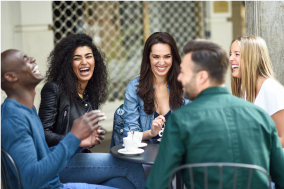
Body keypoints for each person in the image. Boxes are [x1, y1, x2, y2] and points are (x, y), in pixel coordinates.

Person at [146, 40, 284, 189]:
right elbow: (281, 176)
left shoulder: (181, 120)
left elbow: (156, 184)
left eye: (183, 73)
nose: (179, 78)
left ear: (202, 77)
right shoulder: (260, 116)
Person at [38, 34, 146, 189]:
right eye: (77, 58)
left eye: (88, 56)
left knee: (123, 184)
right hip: (57, 162)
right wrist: (76, 140)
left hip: (79, 159)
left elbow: (85, 140)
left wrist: (91, 138)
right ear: (68, 64)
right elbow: (43, 134)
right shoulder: (54, 90)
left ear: (95, 61)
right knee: (130, 165)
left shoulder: (90, 95)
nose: (84, 62)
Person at [0, 49, 116, 189]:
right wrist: (73, 136)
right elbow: (30, 180)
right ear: (11, 77)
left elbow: (44, 156)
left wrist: (78, 143)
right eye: (25, 59)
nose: (33, 59)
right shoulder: (13, 119)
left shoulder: (27, 110)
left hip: (56, 184)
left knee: (124, 182)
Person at [114, 32, 189, 144]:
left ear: (173, 57)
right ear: (148, 57)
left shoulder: (185, 87)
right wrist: (151, 133)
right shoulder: (134, 88)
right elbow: (130, 134)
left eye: (167, 56)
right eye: (156, 57)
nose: (162, 62)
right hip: (144, 159)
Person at [230, 36, 284, 148]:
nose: (231, 58)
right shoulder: (243, 89)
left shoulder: (271, 89)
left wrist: (252, 144)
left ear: (252, 57)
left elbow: (283, 138)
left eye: (237, 54)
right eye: (230, 54)